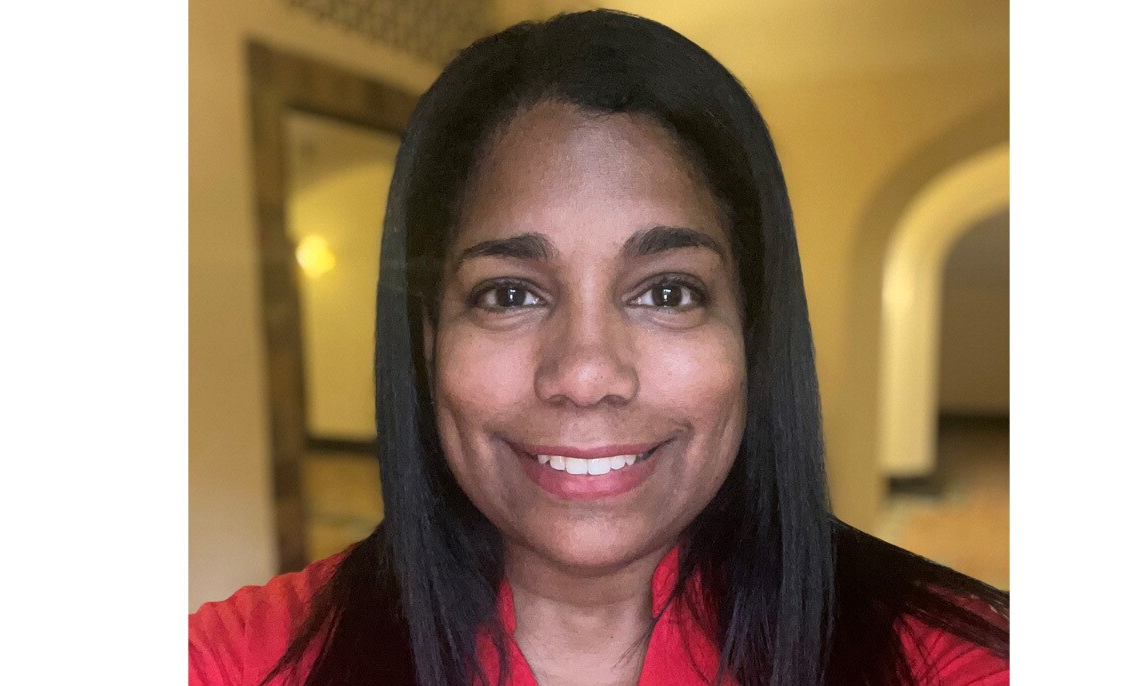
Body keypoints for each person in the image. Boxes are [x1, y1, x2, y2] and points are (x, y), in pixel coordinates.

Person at [190, 10, 1008, 686]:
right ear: (430, 339)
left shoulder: (951, 660)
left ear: (753, 334)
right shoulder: (253, 661)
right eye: (510, 293)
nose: (585, 374)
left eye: (668, 291)